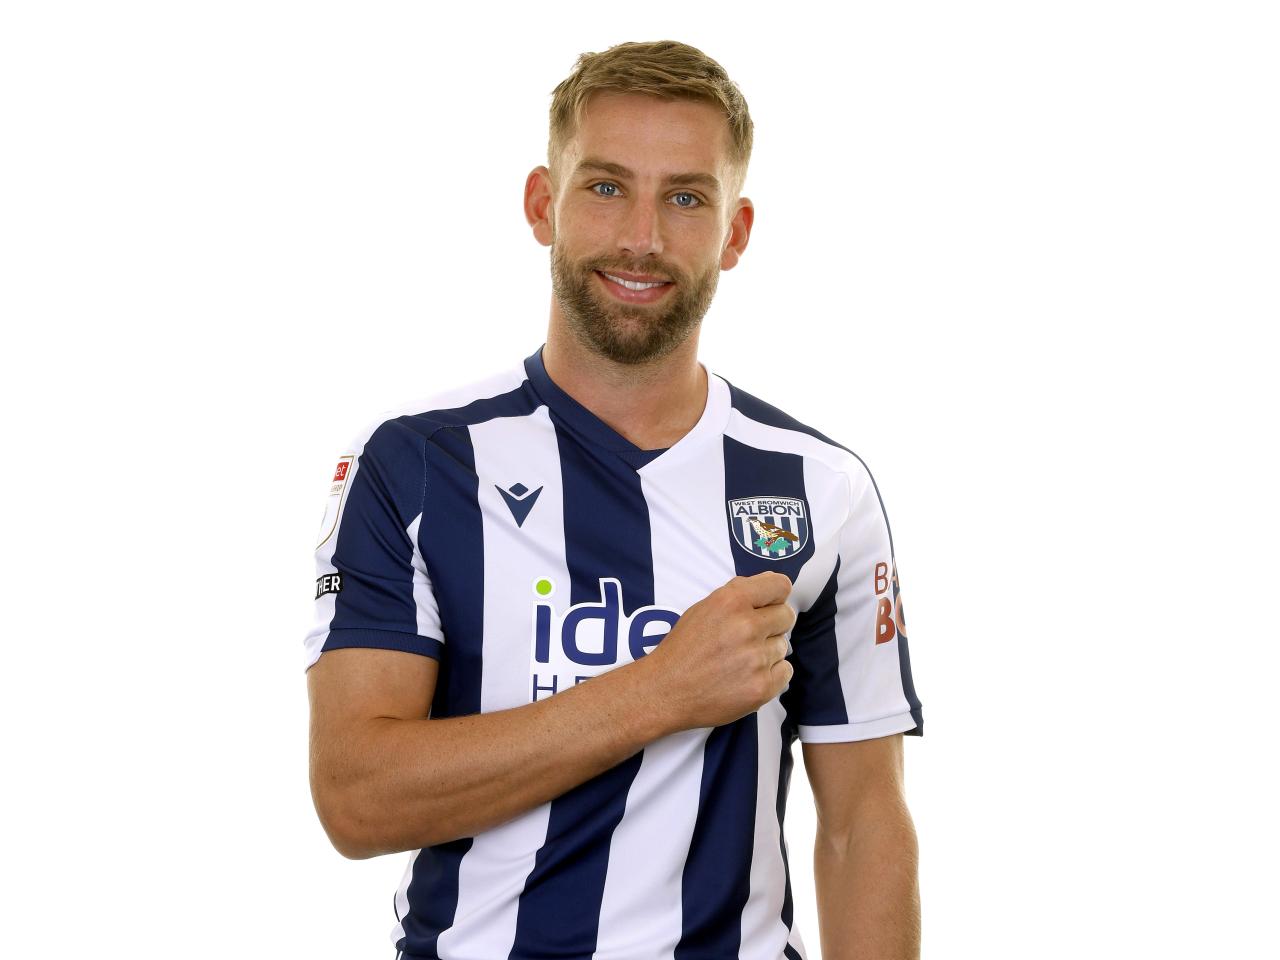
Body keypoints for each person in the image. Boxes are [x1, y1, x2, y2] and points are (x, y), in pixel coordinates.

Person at [304, 39, 924, 960]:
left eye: (685, 197)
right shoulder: (415, 464)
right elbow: (356, 799)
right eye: (605, 188)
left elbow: (862, 822)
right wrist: (660, 692)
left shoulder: (818, 485)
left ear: (736, 231)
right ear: (541, 205)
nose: (643, 236)